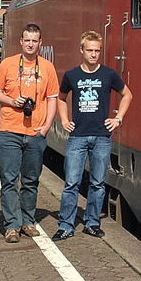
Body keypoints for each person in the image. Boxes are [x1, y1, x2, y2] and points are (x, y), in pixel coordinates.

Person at [52, 31, 132, 241]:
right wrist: (64, 120)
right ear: (82, 50)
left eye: (97, 50)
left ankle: (92, 223)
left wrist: (118, 118)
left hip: (102, 137)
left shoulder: (109, 74)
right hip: (77, 136)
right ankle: (66, 225)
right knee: (71, 183)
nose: (94, 54)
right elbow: (61, 98)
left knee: (97, 183)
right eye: (90, 50)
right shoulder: (71, 75)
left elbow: (127, 95)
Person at [0, 23, 58, 243]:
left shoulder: (47, 67)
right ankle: (12, 225)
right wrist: (12, 101)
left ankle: (27, 221)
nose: (30, 44)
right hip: (10, 131)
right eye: (27, 40)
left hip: (35, 133)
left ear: (40, 43)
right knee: (9, 180)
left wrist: (46, 127)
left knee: (30, 180)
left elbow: (52, 99)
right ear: (21, 42)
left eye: (34, 40)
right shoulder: (8, 64)